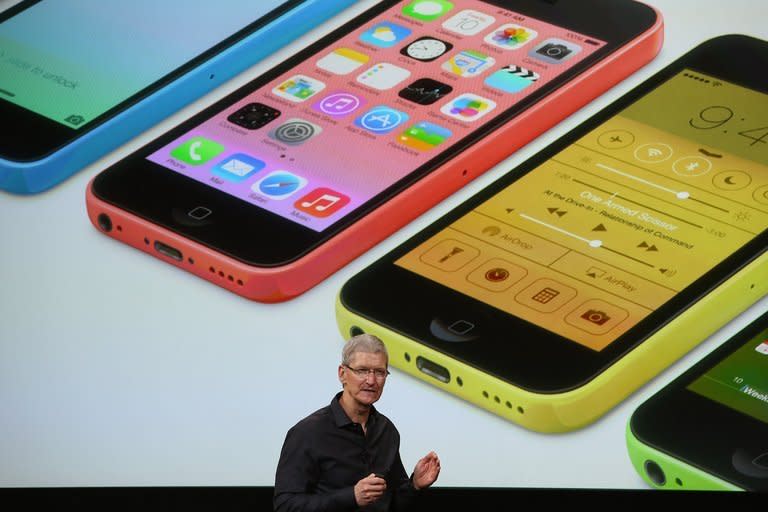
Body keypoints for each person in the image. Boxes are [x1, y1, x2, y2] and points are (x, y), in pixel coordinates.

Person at [274, 333, 441, 511]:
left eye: (379, 372)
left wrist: (414, 485)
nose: (371, 380)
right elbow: (285, 506)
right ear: (342, 374)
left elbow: (392, 504)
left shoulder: (387, 431)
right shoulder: (308, 432)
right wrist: (351, 497)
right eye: (362, 370)